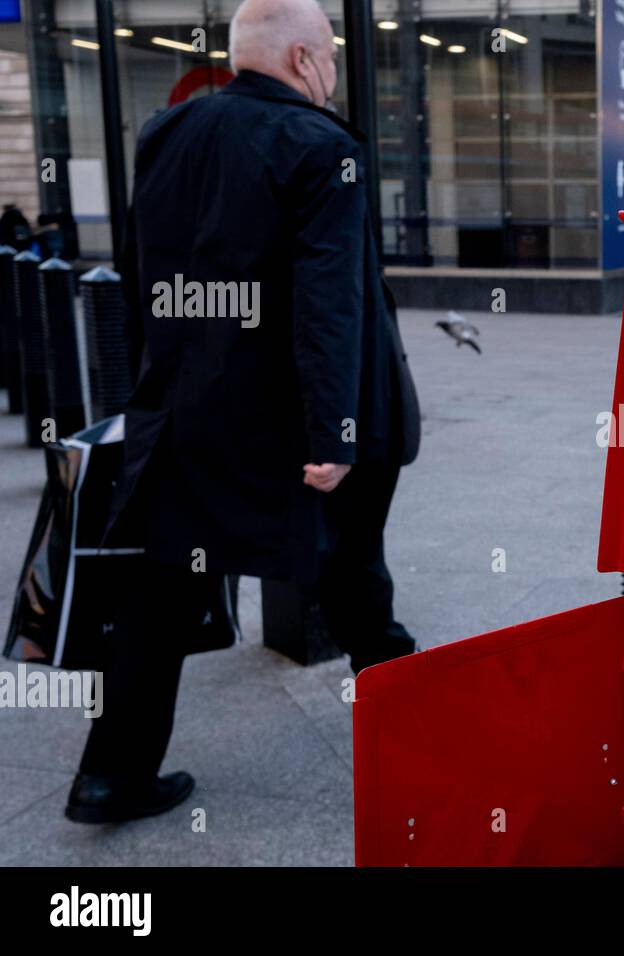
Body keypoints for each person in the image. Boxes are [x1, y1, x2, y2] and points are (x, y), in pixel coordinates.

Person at [66, 0, 420, 825]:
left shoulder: (166, 134)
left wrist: (151, 390)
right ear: (302, 58)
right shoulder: (322, 149)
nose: (332, 72)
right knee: (355, 581)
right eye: (329, 56)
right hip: (301, 424)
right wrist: (336, 432)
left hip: (186, 417)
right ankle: (416, 739)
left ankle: (108, 777)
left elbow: (137, 276)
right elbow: (329, 304)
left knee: (156, 595)